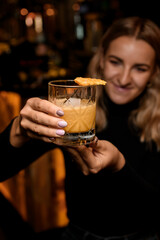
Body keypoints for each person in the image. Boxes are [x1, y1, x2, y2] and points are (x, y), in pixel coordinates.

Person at [2, 16, 160, 239]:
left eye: (140, 68)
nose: (124, 78)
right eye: (116, 62)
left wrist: (119, 166)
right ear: (102, 59)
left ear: (154, 73)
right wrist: (18, 131)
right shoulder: (73, 108)